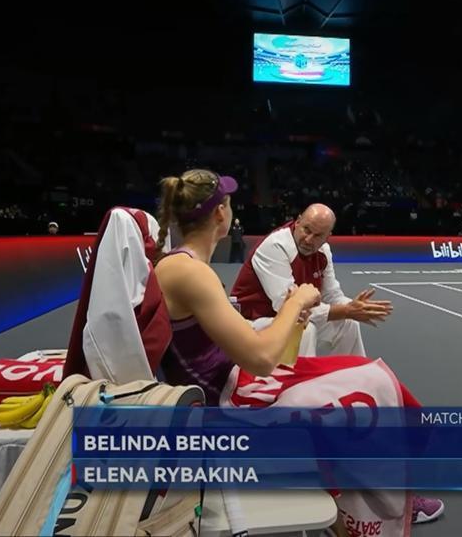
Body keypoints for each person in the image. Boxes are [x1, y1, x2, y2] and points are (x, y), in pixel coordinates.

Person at [151, 169, 445, 526]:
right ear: (220, 214)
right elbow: (261, 358)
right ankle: (387, 499)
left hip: (230, 372)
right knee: (366, 391)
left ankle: (387, 486)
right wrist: (298, 302)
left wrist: (327, 310)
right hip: (223, 394)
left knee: (365, 373)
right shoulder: (191, 272)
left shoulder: (187, 266)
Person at [231, 203, 390, 358]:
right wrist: (347, 310)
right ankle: (302, 376)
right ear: (298, 222)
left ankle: (351, 373)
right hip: (250, 322)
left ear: (327, 237)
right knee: (305, 329)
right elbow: (286, 307)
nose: (308, 240)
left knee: (348, 323)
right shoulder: (276, 246)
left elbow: (332, 295)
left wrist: (355, 307)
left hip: (285, 319)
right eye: (306, 230)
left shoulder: (323, 251)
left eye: (318, 235)